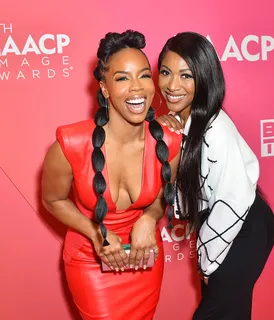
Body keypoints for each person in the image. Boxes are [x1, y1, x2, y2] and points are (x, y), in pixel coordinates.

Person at [41, 30, 181, 320]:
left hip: (144, 258)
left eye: (144, 76)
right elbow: (53, 200)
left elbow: (159, 198)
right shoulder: (71, 143)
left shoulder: (169, 143)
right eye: (122, 78)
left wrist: (150, 218)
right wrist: (95, 233)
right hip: (91, 260)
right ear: (104, 88)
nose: (137, 88)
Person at [157, 32, 274, 320]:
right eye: (165, 72)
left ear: (205, 78)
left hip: (244, 226)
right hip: (220, 225)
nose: (173, 85)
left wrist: (208, 262)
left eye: (186, 76)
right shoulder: (180, 123)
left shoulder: (215, 129)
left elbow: (233, 200)